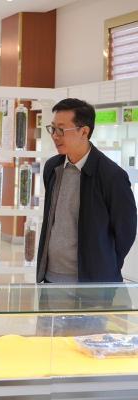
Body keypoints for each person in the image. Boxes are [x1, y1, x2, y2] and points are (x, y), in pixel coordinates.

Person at [37, 98, 137, 283]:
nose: (55, 136)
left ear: (84, 131)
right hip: (50, 278)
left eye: (61, 130)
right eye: (53, 129)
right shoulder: (52, 167)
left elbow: (126, 231)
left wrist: (105, 265)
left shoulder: (112, 176)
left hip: (91, 284)